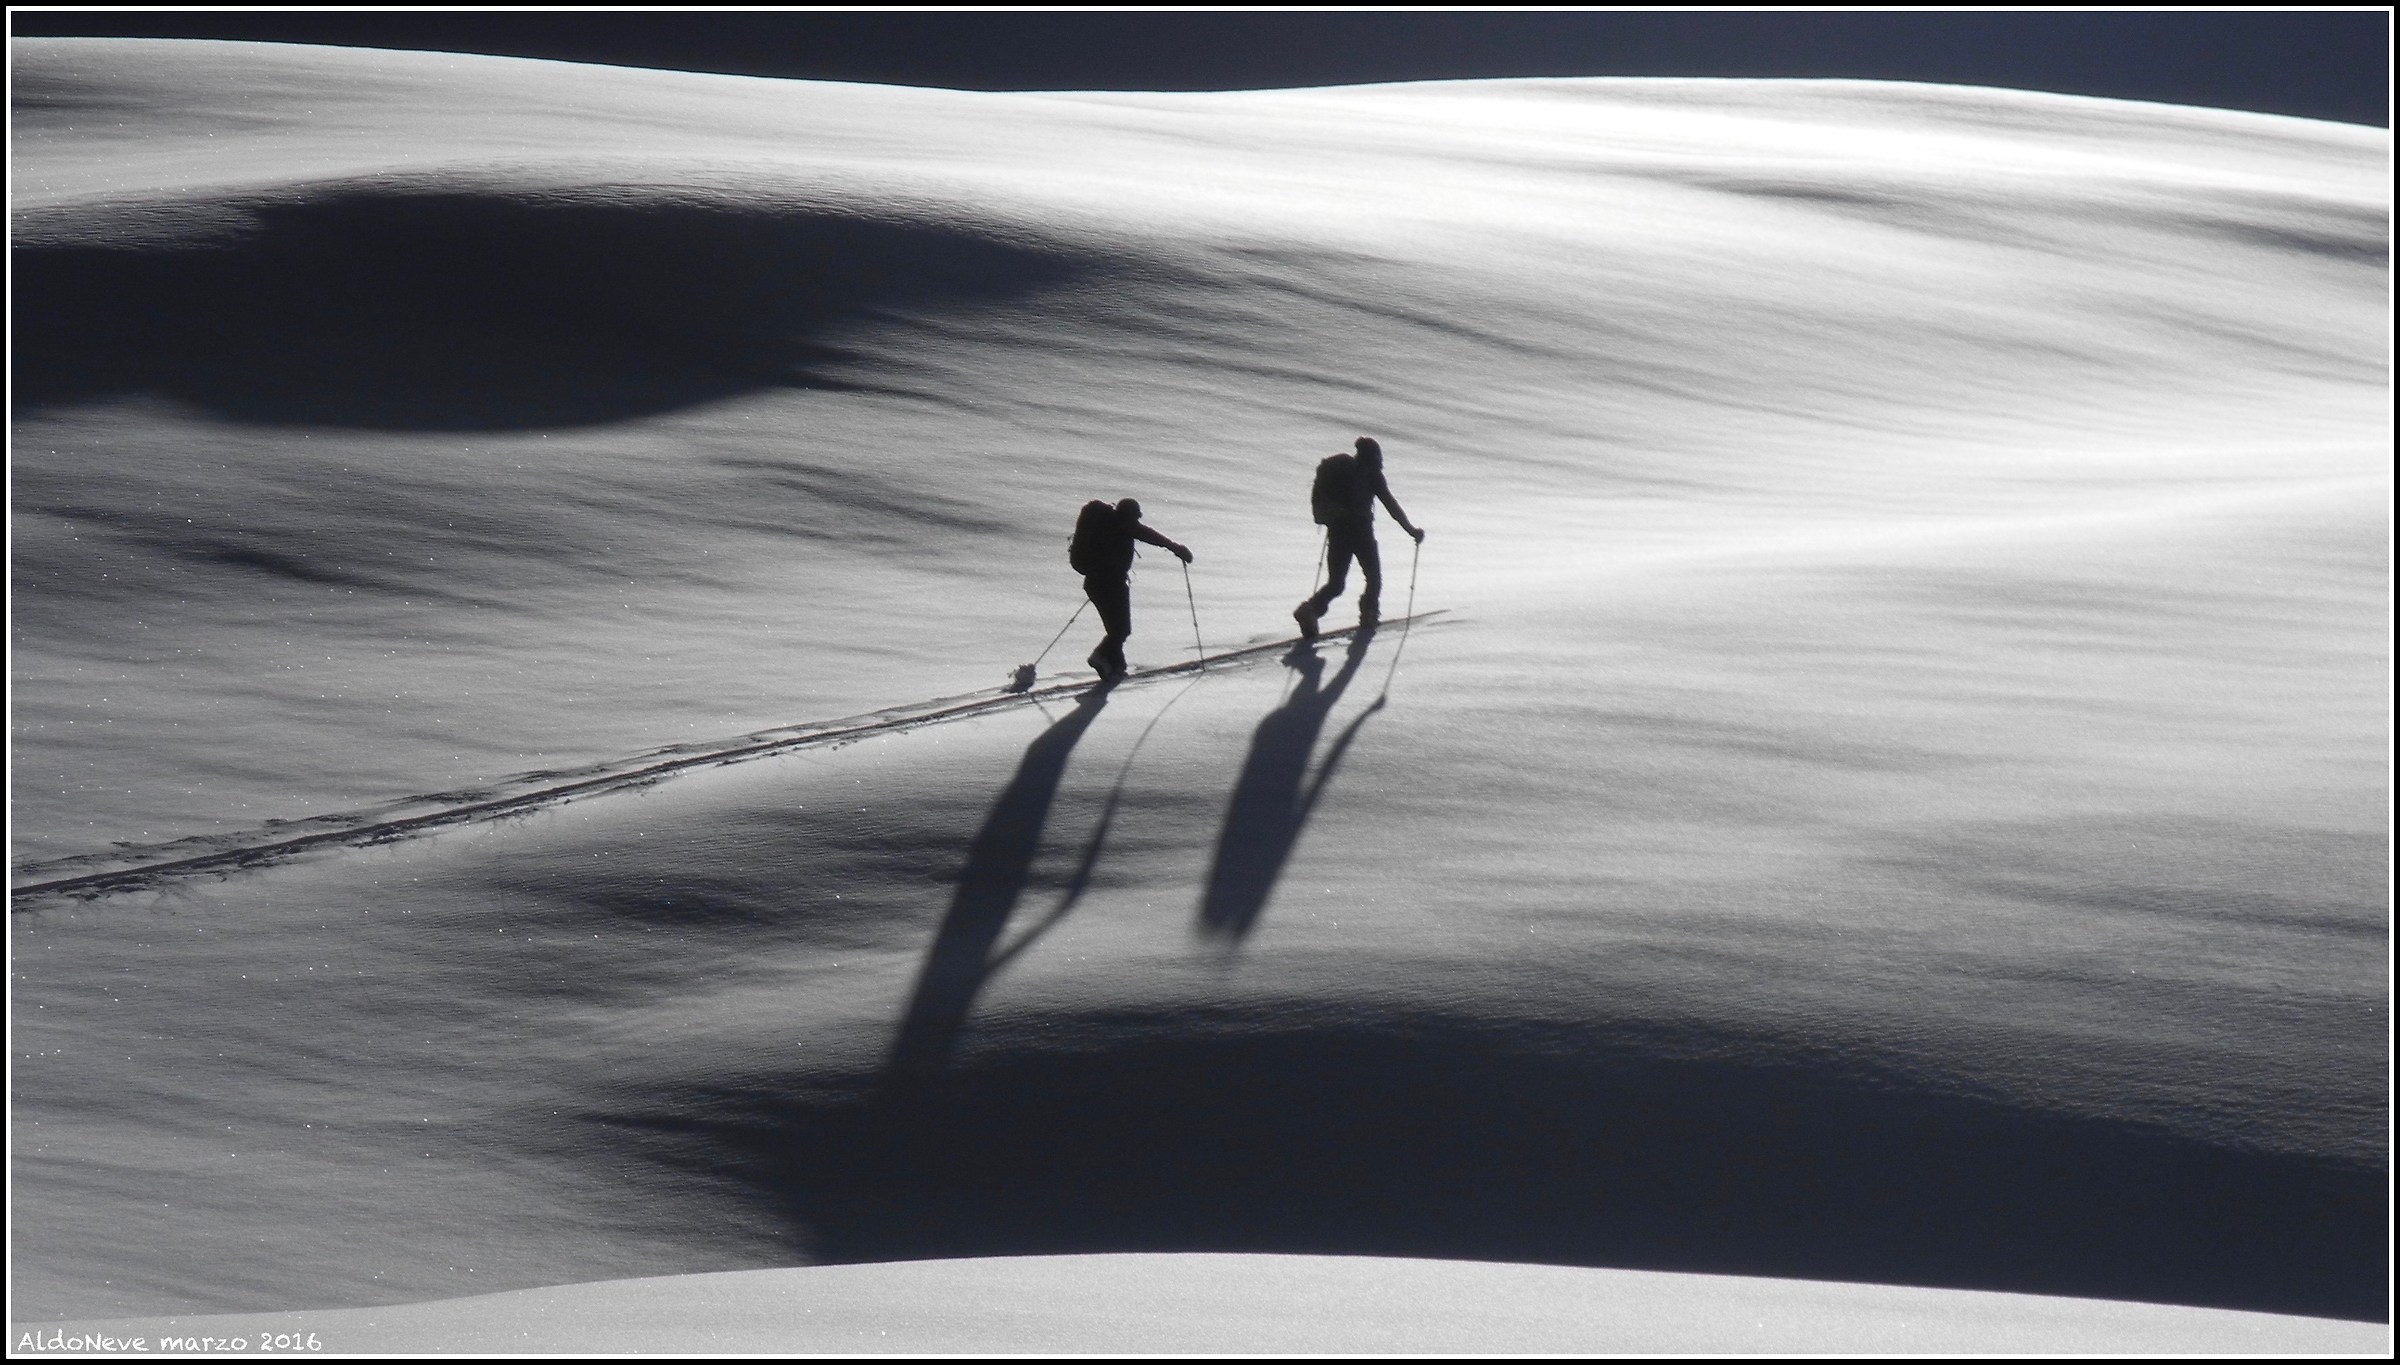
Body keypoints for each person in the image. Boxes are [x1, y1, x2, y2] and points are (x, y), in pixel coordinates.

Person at [1295, 436, 1423, 637]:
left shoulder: (1341, 471)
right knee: (1374, 578)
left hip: (1337, 531)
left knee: (1336, 583)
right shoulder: (1372, 475)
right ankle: (1369, 615)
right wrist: (1411, 530)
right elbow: (1391, 505)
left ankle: (1310, 610)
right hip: (1362, 532)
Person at [1071, 497, 1192, 682]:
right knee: (1121, 630)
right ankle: (1100, 658)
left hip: (1095, 582)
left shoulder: (1109, 523)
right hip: (1111, 583)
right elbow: (1148, 534)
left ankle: (1116, 668)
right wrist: (1175, 548)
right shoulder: (1123, 523)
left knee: (1116, 629)